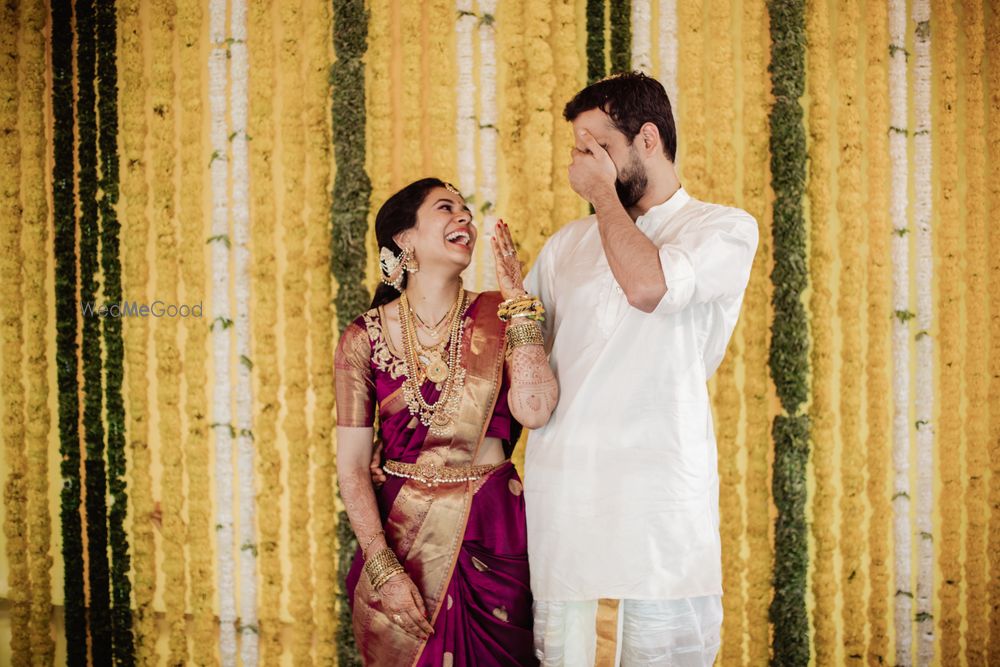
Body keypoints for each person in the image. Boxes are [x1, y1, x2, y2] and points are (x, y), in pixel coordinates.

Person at [523, 72, 759, 665]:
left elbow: (650, 286)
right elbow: (518, 365)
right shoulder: (564, 247)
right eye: (577, 151)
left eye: (593, 148)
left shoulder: (721, 229)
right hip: (565, 518)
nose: (579, 167)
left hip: (658, 527)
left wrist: (603, 195)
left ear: (647, 138)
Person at [335, 177, 558, 666]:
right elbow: (352, 468)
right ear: (405, 239)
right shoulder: (362, 339)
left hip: (494, 530)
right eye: (445, 208)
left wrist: (518, 299)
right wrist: (383, 569)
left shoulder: (500, 317)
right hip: (403, 538)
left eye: (466, 211)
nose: (465, 218)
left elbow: (536, 410)